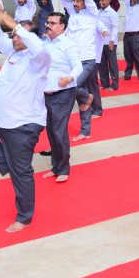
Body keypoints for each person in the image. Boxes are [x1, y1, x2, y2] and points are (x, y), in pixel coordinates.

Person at [0, 9, 51, 231]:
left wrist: (11, 23)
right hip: (1, 119)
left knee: (22, 173)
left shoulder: (40, 59)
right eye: (14, 35)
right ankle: (8, 164)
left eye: (18, 35)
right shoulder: (14, 52)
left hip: (22, 125)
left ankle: (24, 217)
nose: (14, 38)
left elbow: (36, 45)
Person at [60, 0, 102, 140]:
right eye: (74, 0)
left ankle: (88, 98)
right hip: (73, 60)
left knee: (72, 86)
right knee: (81, 96)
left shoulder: (93, 14)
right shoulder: (73, 13)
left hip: (87, 60)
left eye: (78, 0)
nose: (74, 3)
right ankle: (86, 131)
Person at [39, 12, 82, 183]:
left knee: (59, 131)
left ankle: (64, 167)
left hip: (64, 93)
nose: (48, 25)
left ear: (62, 26)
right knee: (50, 131)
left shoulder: (67, 44)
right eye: (48, 22)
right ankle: (55, 166)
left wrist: (68, 78)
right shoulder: (45, 43)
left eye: (53, 23)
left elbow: (78, 66)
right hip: (47, 94)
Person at [97, 0, 120, 92]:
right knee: (102, 64)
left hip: (110, 43)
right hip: (100, 43)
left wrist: (111, 41)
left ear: (109, 1)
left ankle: (114, 85)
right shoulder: (99, 11)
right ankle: (104, 83)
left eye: (103, 1)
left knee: (112, 65)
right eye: (100, 0)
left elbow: (115, 28)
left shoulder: (112, 13)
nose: (101, 2)